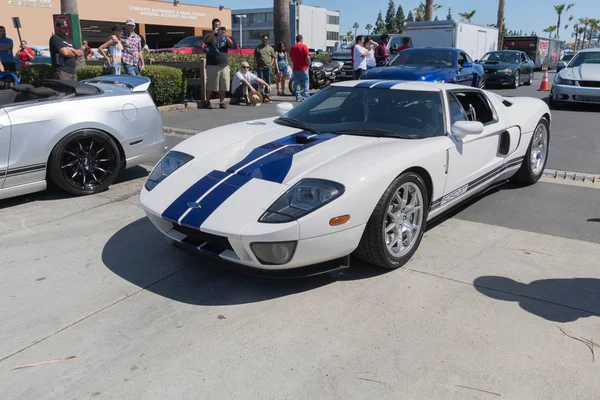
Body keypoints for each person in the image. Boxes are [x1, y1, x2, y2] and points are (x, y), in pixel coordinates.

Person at [202, 18, 232, 109]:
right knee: (211, 85)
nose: (218, 27)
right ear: (213, 26)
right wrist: (213, 32)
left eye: (219, 25)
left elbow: (230, 44)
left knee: (223, 85)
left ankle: (222, 102)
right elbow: (206, 41)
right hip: (212, 64)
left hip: (223, 64)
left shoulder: (223, 36)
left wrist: (226, 36)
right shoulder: (209, 35)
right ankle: (207, 102)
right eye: (216, 25)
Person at [253, 34, 275, 102]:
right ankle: (261, 94)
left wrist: (271, 64)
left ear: (268, 40)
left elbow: (273, 57)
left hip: (268, 67)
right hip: (260, 67)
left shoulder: (270, 48)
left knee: (267, 81)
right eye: (264, 39)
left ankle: (267, 94)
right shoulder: (258, 48)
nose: (265, 40)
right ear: (261, 40)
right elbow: (255, 57)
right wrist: (255, 64)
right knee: (260, 81)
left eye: (266, 39)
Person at [290, 34, 310, 102]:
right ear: (301, 39)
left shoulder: (293, 47)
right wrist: (308, 63)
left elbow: (291, 57)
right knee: (306, 81)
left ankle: (298, 97)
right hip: (304, 67)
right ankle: (305, 95)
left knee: (297, 82)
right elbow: (307, 57)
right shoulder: (304, 46)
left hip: (296, 68)